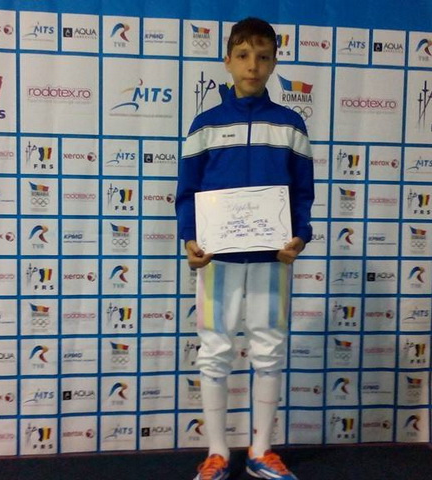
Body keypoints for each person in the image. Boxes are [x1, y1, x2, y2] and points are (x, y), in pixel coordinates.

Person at [175, 17, 315, 480]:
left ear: (274, 63)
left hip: (273, 259)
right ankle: (217, 452)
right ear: (228, 61)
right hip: (218, 260)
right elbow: (187, 191)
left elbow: (302, 193)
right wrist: (190, 238)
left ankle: (260, 451)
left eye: (263, 56)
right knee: (214, 351)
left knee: (269, 350)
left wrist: (300, 235)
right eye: (243, 55)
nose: (252, 66)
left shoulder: (291, 124)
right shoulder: (205, 125)